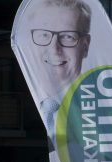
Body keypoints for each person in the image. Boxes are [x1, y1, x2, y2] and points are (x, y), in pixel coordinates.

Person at [22, 0, 91, 145]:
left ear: (85, 46)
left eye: (67, 36)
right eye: (44, 35)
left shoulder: (102, 114)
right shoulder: (18, 105)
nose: (54, 48)